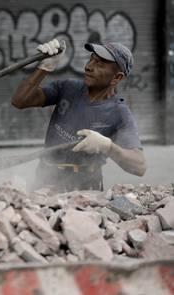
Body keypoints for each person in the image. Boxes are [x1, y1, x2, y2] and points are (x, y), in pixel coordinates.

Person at [10, 39, 147, 192]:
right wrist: (44, 67)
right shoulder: (68, 88)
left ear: (117, 77)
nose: (88, 67)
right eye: (91, 59)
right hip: (44, 181)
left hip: (84, 191)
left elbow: (140, 166)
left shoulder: (118, 112)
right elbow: (20, 101)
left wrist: (107, 146)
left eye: (100, 64)